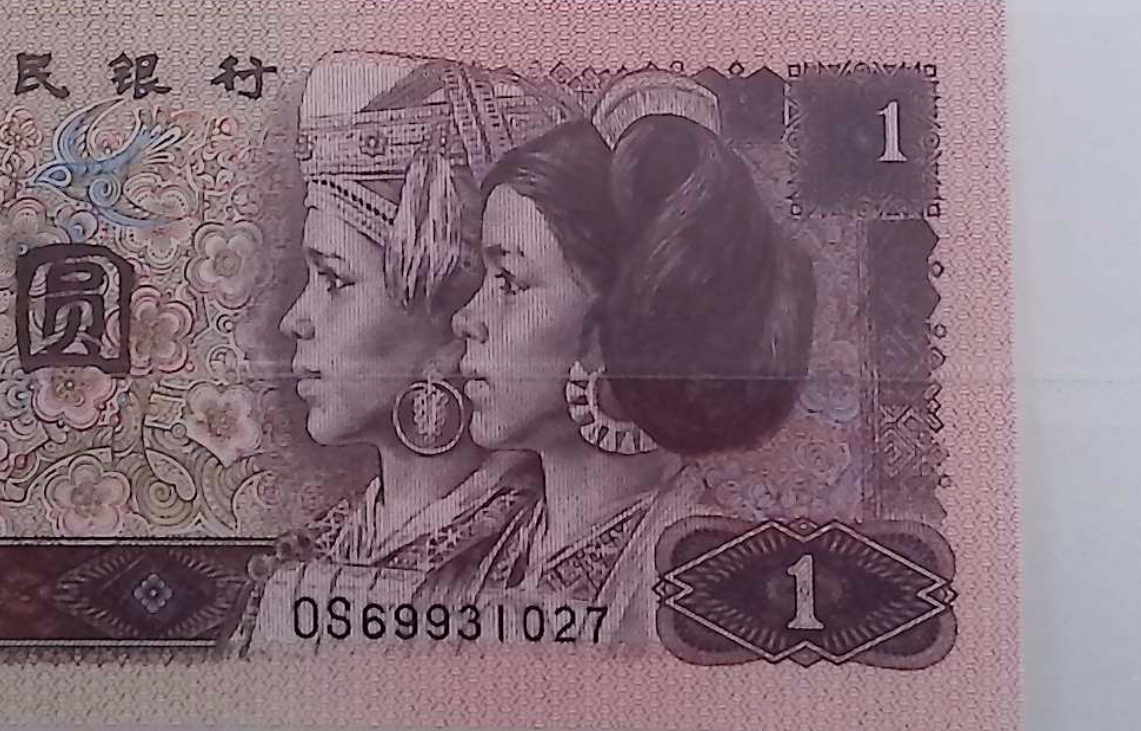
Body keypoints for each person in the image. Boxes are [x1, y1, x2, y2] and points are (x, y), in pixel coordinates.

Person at [450, 72, 815, 631]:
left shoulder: (710, 586)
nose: (465, 320)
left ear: (621, 319)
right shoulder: (475, 558)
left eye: (510, 282)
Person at [245, 54, 565, 639]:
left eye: (334, 279)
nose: (295, 320)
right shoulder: (315, 555)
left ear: (451, 320)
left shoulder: (543, 564)